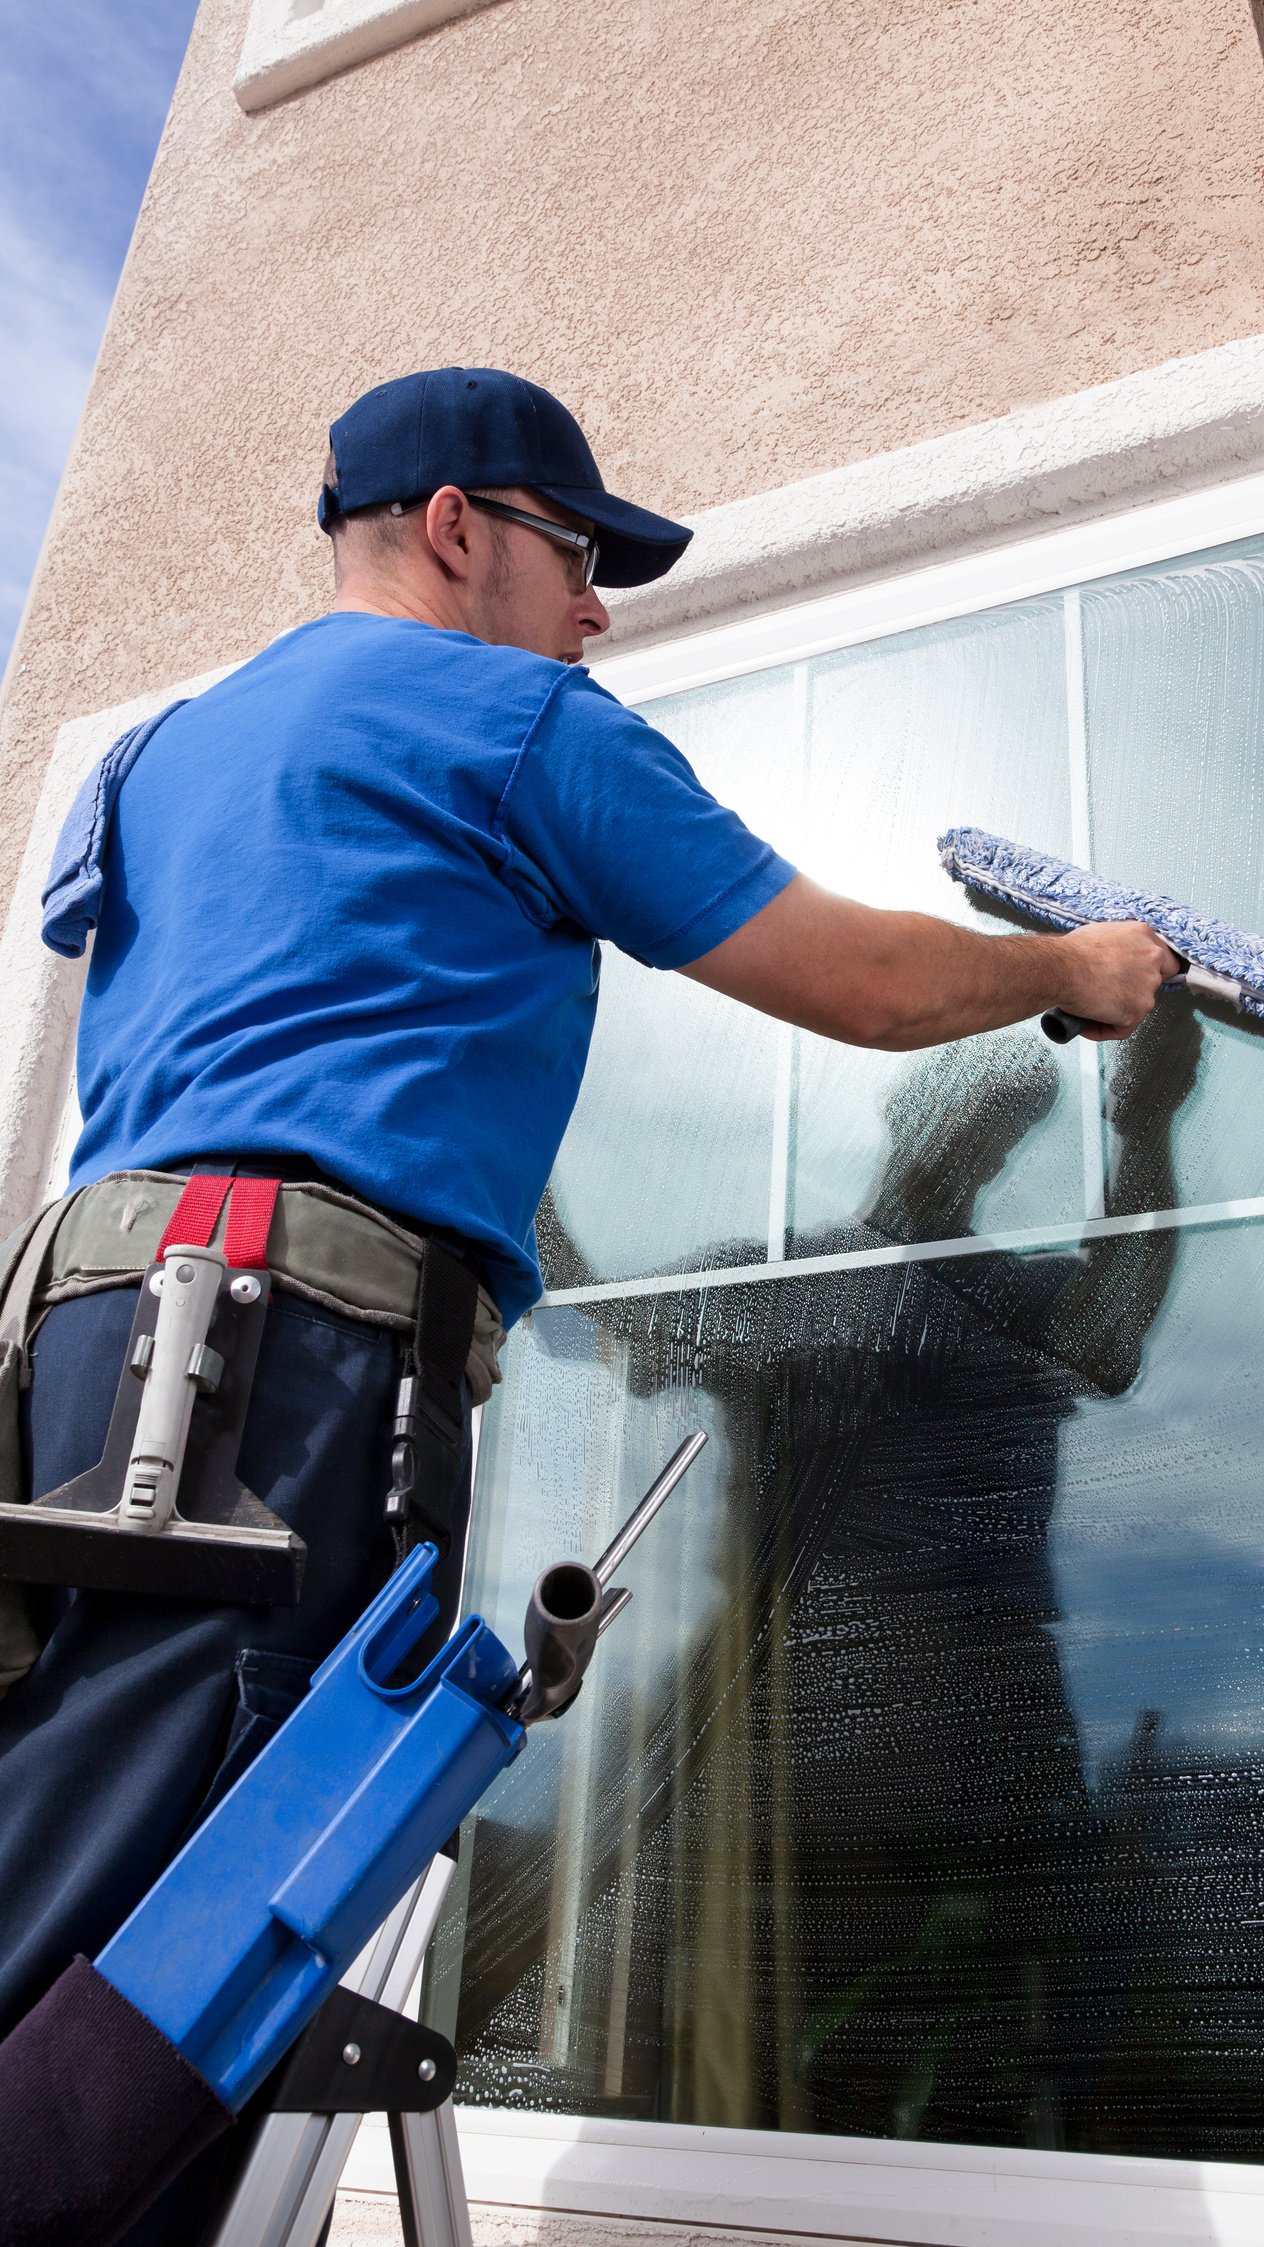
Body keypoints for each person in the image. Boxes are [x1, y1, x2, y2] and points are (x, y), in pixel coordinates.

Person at [0, 365, 1174, 2237]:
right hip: (275, 1367)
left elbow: (293, 1001)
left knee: (78, 1798)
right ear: (459, 528)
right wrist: (1079, 970)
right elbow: (861, 980)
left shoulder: (164, 752)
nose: (597, 606)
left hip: (86, 1347)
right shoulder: (518, 720)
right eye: (577, 555)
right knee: (199, 1885)